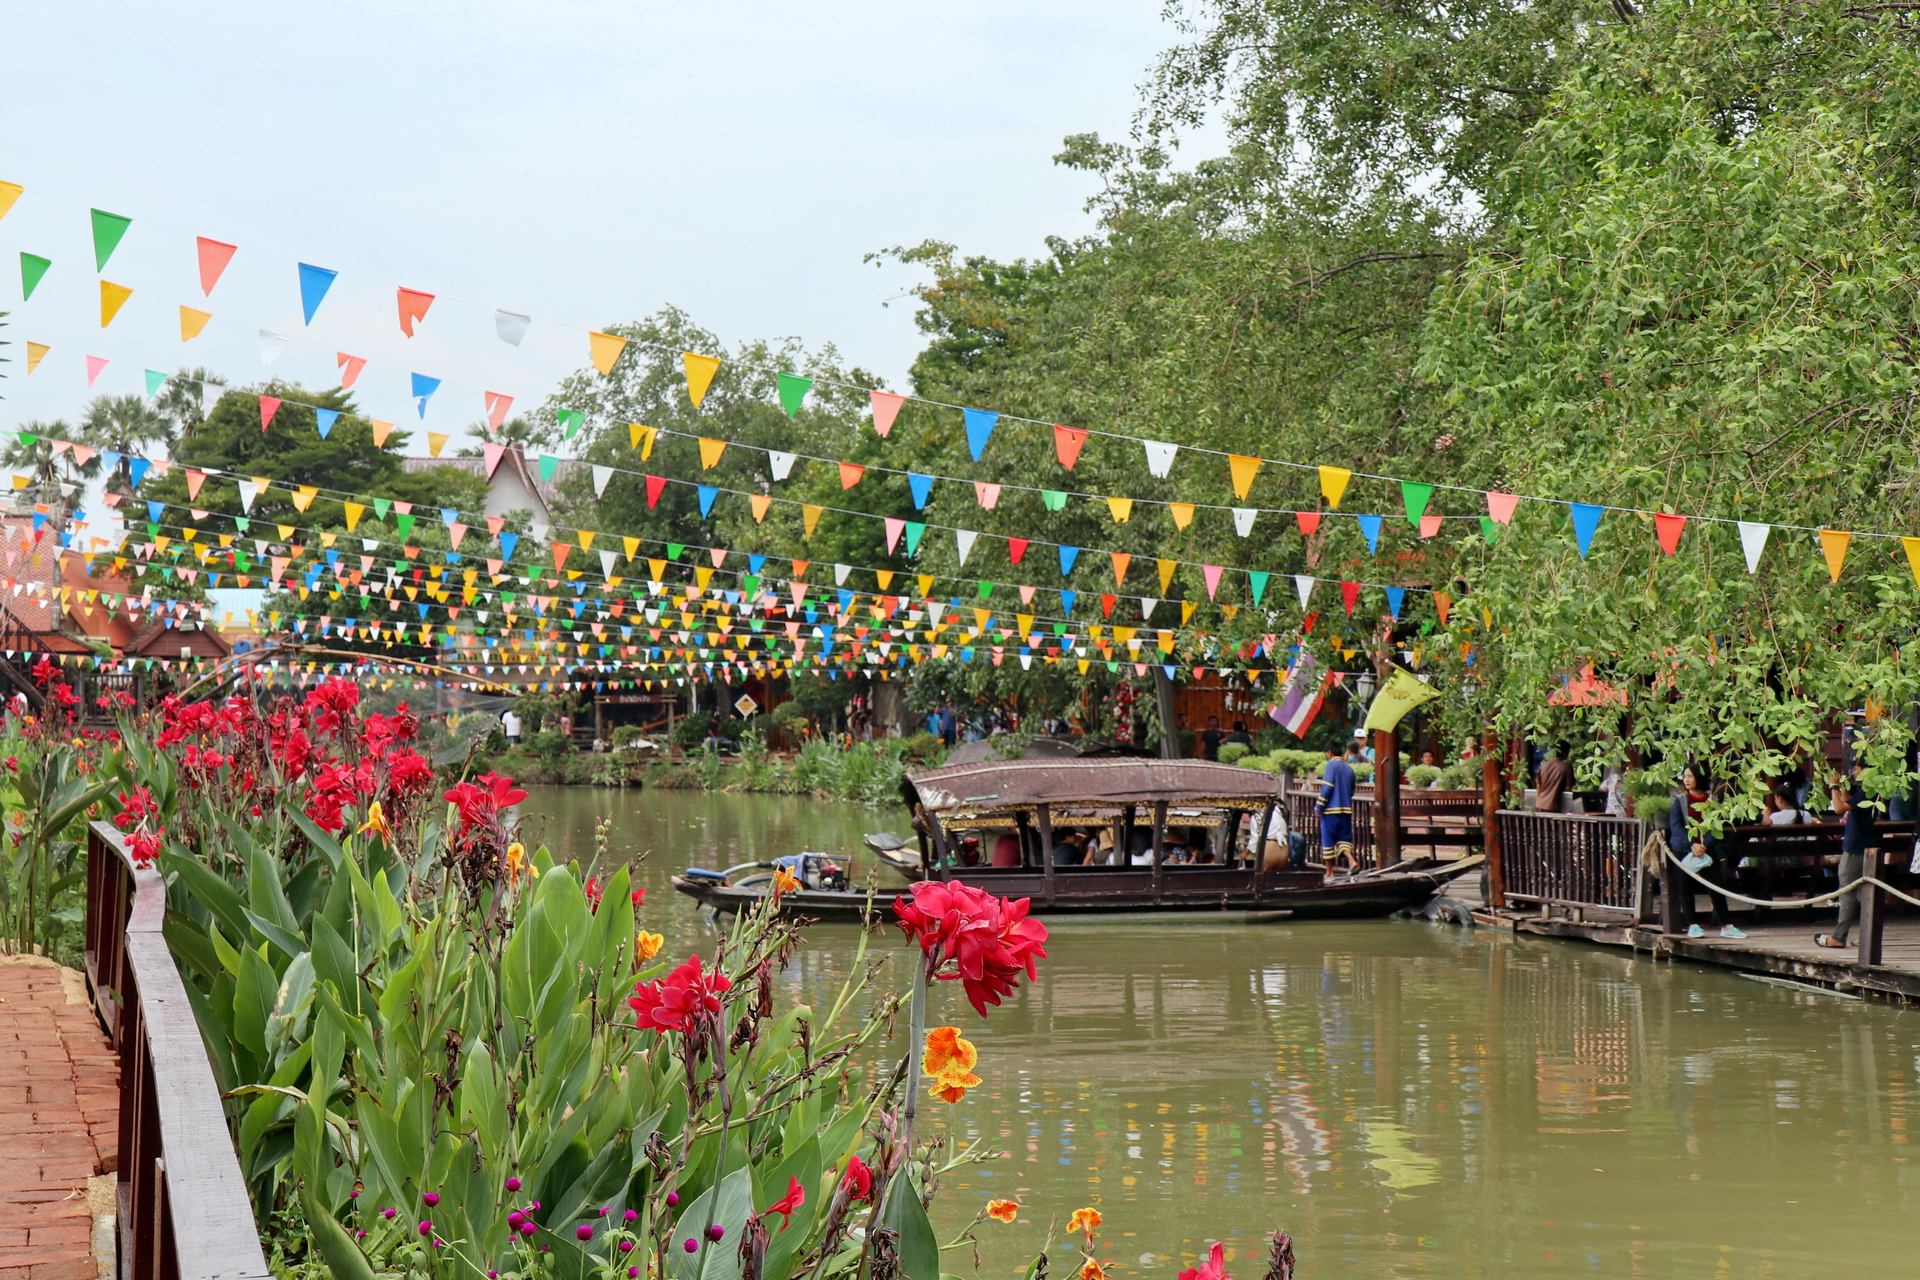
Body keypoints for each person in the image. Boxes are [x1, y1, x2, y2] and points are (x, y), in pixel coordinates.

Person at [1668, 764, 1745, 939]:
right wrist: (1691, 846)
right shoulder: (1679, 801)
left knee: (1716, 887)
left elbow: (1716, 827)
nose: (1686, 780)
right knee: (1686, 890)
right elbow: (1676, 827)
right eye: (1685, 777)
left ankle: (1726, 926)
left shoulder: (1712, 801)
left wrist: (1704, 846)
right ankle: (1692, 925)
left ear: (1699, 778)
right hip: (1684, 850)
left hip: (1707, 849)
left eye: (1690, 776)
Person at [1818, 760, 1877, 949]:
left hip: (1855, 849)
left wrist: (1834, 787)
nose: (1853, 772)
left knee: (1846, 892)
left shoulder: (1867, 793)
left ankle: (1839, 937)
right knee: (1862, 894)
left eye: (1856, 769)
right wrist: (1843, 787)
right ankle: (1867, 937)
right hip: (1863, 847)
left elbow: (1839, 808)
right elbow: (1848, 801)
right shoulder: (1867, 793)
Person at [1317, 744, 1358, 873]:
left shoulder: (1331, 765)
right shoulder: (1349, 768)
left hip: (1330, 811)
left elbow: (1327, 788)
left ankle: (1330, 872)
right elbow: (1351, 790)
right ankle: (1351, 861)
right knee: (1344, 839)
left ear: (1329, 752)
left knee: (1328, 840)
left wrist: (1319, 807)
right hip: (1345, 810)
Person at [1535, 745, 1572, 814]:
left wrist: (1538, 803)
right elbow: (1568, 788)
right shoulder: (1567, 767)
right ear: (1565, 753)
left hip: (1540, 805)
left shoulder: (1542, 766)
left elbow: (1539, 787)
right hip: (1554, 806)